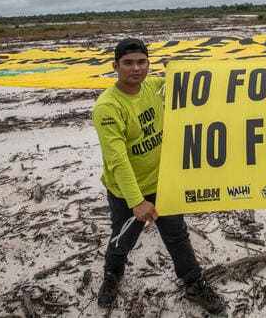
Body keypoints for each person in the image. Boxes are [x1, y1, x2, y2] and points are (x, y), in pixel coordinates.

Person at [92, 37, 226, 313]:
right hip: (127, 191)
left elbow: (186, 84)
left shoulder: (153, 86)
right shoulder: (108, 107)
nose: (136, 68)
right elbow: (117, 160)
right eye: (128, 63)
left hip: (163, 182)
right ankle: (112, 274)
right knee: (123, 239)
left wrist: (177, 70)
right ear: (115, 66)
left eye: (142, 62)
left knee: (177, 235)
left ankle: (194, 283)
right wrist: (136, 201)